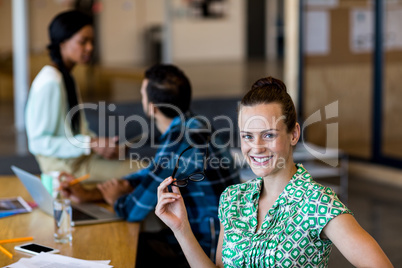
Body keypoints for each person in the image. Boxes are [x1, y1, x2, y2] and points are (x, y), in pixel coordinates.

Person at [155, 77, 393, 267]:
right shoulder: (232, 199)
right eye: (248, 136)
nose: (256, 147)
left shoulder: (317, 203)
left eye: (268, 135)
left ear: (294, 134)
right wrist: (181, 229)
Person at [60, 64, 240, 267]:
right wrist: (94, 193)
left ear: (152, 107)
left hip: (204, 249)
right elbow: (153, 174)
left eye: (142, 94)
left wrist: (117, 199)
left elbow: (132, 210)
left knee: (122, 247)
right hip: (210, 236)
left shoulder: (180, 140)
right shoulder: (195, 124)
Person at [25, 10, 133, 181]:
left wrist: (101, 145)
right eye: (83, 42)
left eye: (92, 42)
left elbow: (77, 130)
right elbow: (38, 143)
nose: (90, 48)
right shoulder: (50, 81)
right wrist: (90, 144)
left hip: (77, 159)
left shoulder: (65, 76)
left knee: (139, 167)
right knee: (141, 172)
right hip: (65, 166)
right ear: (62, 43)